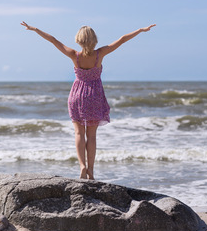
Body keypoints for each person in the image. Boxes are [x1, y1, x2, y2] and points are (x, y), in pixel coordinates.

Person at [20, 21, 156, 179]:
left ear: (79, 39)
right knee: (92, 136)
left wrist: (35, 29)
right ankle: (91, 169)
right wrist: (140, 30)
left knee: (78, 133)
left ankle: (82, 166)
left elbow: (53, 40)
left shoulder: (74, 55)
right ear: (94, 39)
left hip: (77, 96)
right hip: (94, 95)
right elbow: (122, 39)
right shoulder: (100, 54)